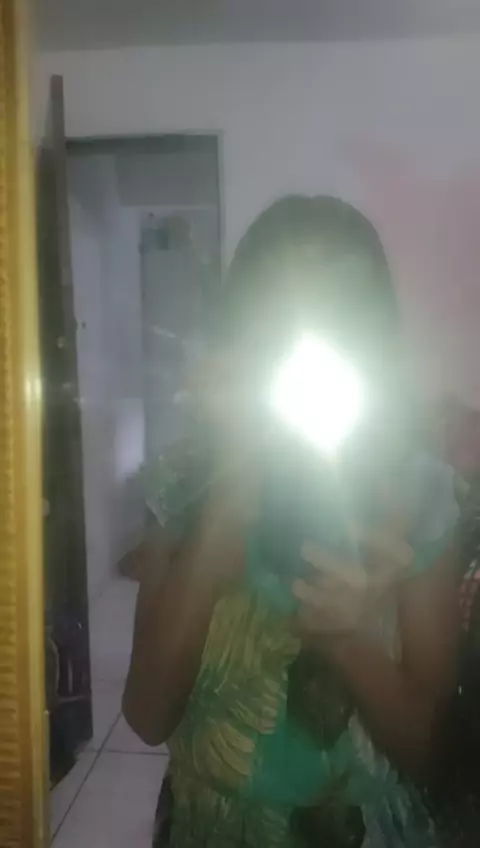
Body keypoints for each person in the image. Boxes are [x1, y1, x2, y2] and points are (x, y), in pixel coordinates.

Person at [123, 196, 459, 848]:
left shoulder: (418, 494)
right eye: (279, 315)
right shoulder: (186, 480)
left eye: (341, 312)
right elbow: (145, 714)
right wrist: (221, 512)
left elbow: (430, 757)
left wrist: (348, 640)